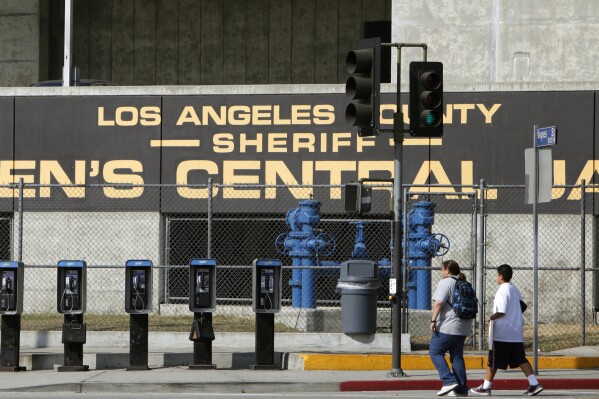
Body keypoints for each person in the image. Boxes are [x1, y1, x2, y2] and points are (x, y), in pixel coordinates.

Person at [471, 264, 543, 396]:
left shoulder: (502, 290)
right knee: (521, 359)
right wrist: (513, 315)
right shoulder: (514, 289)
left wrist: (490, 318)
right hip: (515, 332)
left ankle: (486, 387)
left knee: (492, 360)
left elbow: (501, 311)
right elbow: (522, 306)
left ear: (501, 276)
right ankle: (534, 384)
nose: (496, 278)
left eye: (497, 275)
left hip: (502, 333)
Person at [430, 260, 473, 397]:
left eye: (441, 269)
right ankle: (461, 389)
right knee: (457, 357)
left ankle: (448, 381)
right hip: (464, 327)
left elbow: (439, 303)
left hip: (448, 326)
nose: (440, 271)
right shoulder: (464, 283)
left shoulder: (446, 282)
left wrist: (433, 320)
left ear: (447, 270)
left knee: (435, 351)